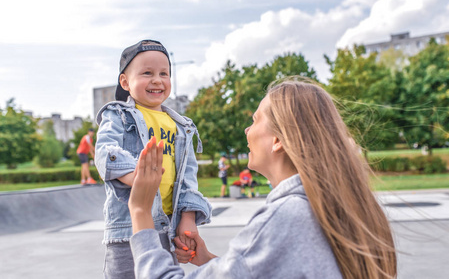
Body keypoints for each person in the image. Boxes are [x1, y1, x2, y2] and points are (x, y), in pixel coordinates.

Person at [127, 78, 397, 278]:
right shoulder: (331, 205)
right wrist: (209, 260)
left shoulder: (287, 216)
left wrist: (140, 212)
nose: (247, 130)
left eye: (255, 121)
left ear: (278, 140)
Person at [94, 39, 212, 279]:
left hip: (166, 230)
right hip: (127, 230)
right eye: (147, 73)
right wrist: (137, 178)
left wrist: (188, 219)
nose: (157, 80)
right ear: (125, 82)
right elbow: (105, 152)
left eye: (164, 74)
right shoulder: (118, 115)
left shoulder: (182, 127)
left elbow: (188, 180)